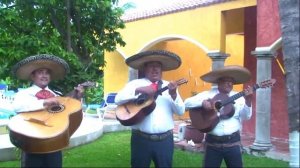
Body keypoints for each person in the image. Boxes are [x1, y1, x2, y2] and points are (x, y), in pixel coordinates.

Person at [11, 54, 85, 168]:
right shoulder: (24, 94)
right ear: (32, 76)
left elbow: (68, 113)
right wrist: (44, 102)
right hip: (32, 142)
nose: (44, 75)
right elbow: (17, 106)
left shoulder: (56, 95)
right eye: (40, 72)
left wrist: (77, 97)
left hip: (53, 142)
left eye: (47, 73)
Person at [115, 50, 185, 168]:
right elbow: (117, 99)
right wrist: (138, 90)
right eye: (151, 66)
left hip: (165, 140)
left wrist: (174, 95)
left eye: (158, 66)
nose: (155, 69)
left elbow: (181, 111)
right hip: (140, 140)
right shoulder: (135, 84)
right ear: (144, 69)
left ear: (161, 70)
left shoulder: (170, 86)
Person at [184, 65, 254, 168]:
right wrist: (202, 103)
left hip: (233, 143)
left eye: (231, 81)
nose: (229, 83)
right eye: (226, 80)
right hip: (212, 143)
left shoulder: (239, 98)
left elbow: (246, 116)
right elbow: (186, 103)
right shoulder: (208, 94)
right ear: (219, 82)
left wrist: (248, 101)